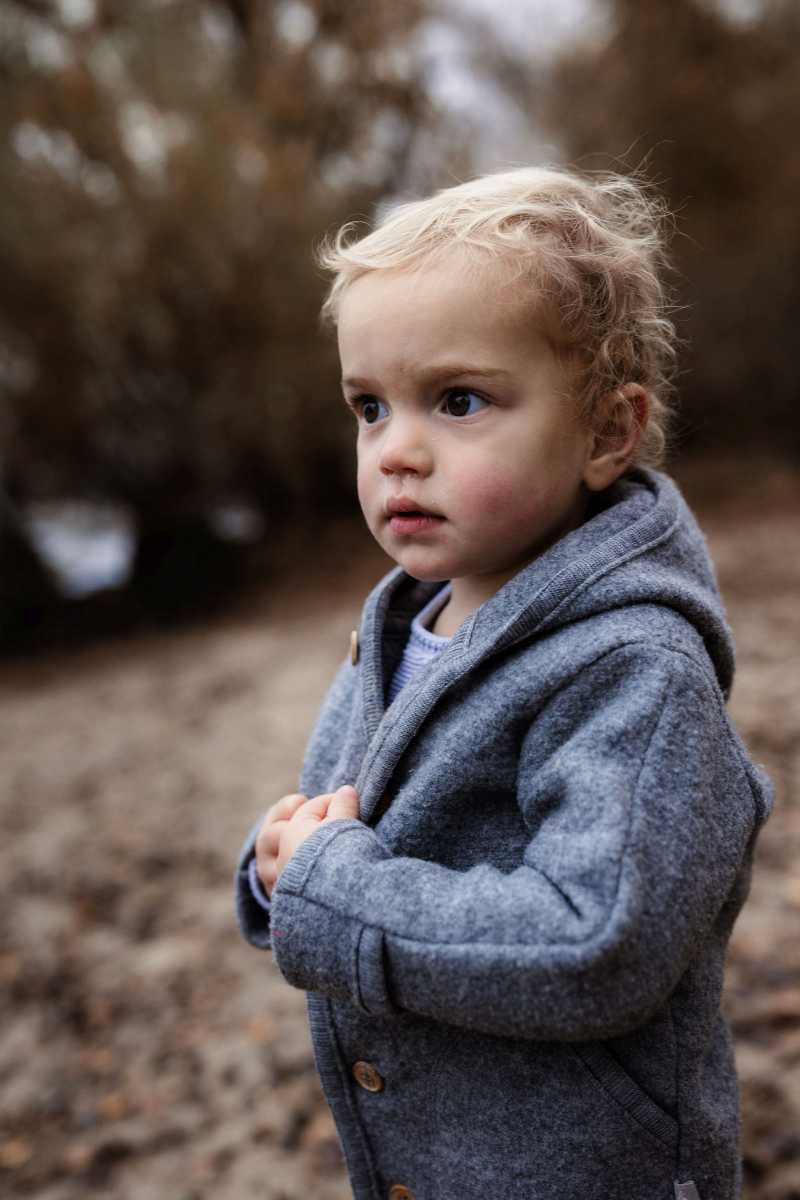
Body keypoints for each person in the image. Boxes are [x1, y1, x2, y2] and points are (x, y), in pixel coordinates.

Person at [234, 166, 772, 1200]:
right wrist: (277, 864)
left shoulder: (634, 671)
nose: (396, 451)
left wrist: (332, 888)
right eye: (368, 407)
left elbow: (593, 940)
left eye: (458, 400)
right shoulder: (402, 623)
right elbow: (346, 826)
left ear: (606, 433)